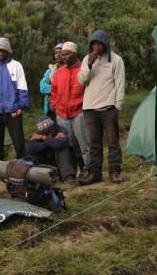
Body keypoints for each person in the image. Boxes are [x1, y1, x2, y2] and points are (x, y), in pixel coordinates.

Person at [77, 30, 126, 185]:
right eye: (94, 44)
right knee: (95, 143)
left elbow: (120, 84)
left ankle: (115, 171)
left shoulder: (116, 60)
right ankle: (95, 173)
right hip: (90, 108)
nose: (96, 47)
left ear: (105, 45)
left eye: (99, 44)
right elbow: (81, 81)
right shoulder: (87, 59)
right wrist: (89, 65)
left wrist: (117, 107)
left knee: (113, 142)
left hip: (108, 108)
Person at [0, 37, 30, 180]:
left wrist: (20, 107)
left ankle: (23, 170)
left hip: (12, 110)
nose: (0, 52)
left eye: (2, 50)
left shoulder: (16, 66)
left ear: (8, 50)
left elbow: (22, 88)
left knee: (18, 141)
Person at [51, 41, 89, 173]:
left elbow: (88, 90)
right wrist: (56, 106)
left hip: (79, 113)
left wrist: (83, 108)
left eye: (66, 54)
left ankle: (86, 169)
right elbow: (54, 91)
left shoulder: (83, 71)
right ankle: (71, 172)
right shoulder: (59, 72)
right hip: (62, 115)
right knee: (68, 144)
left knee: (83, 144)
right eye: (62, 54)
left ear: (74, 54)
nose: (63, 57)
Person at [25, 115, 76, 183]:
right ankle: (46, 178)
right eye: (45, 133)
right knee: (35, 152)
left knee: (62, 148)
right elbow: (29, 148)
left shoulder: (61, 130)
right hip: (49, 163)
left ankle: (68, 178)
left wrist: (45, 138)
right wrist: (50, 140)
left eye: (50, 131)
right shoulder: (39, 134)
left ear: (53, 128)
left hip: (64, 163)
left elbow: (59, 144)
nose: (48, 133)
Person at [39, 42, 64, 121]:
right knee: (49, 131)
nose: (58, 54)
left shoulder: (70, 70)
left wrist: (52, 87)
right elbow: (42, 88)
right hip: (51, 110)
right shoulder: (50, 70)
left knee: (64, 132)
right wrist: (59, 88)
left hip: (64, 109)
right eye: (56, 53)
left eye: (60, 52)